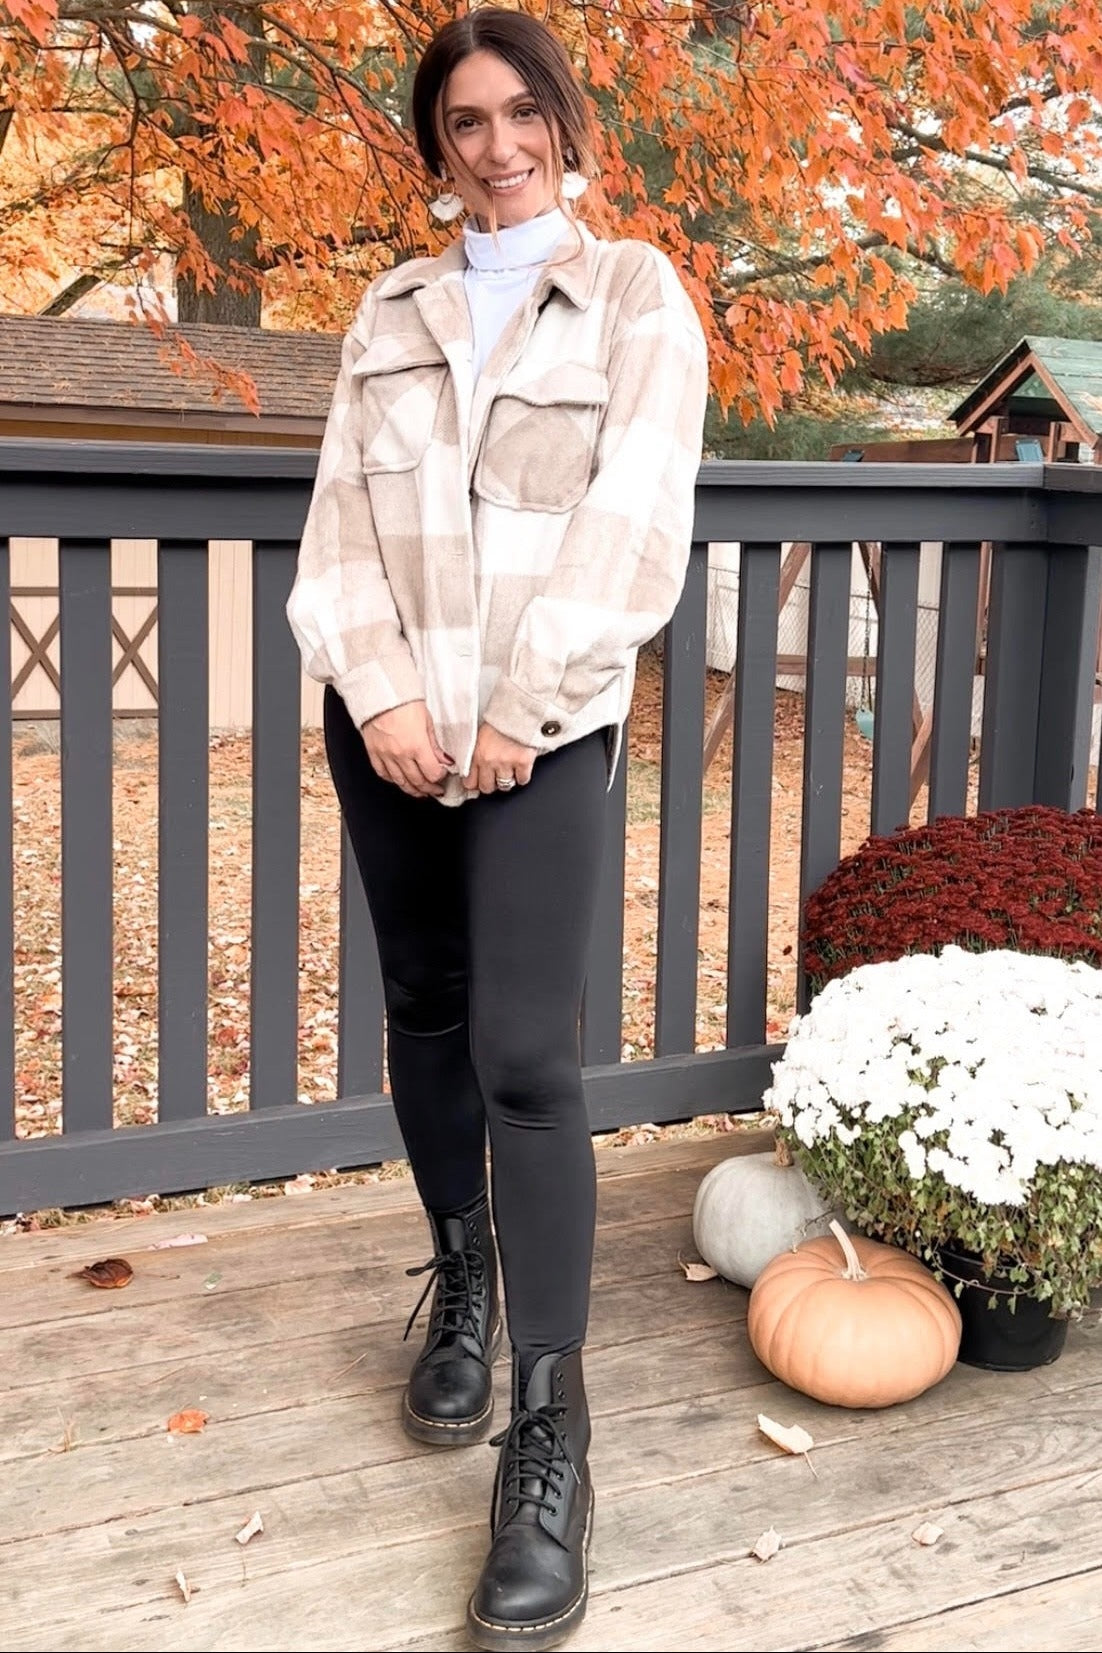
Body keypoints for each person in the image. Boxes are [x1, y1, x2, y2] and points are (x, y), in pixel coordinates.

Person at [286, 9, 708, 1648]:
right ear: (436, 146)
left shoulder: (634, 296)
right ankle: (459, 1276)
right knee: (424, 1007)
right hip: (388, 721)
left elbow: (633, 522)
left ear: (563, 121)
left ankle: (551, 1428)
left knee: (528, 1053)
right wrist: (385, 692)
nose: (498, 144)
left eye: (521, 111)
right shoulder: (387, 311)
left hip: (546, 726)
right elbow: (337, 529)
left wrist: (520, 706)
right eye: (464, 120)